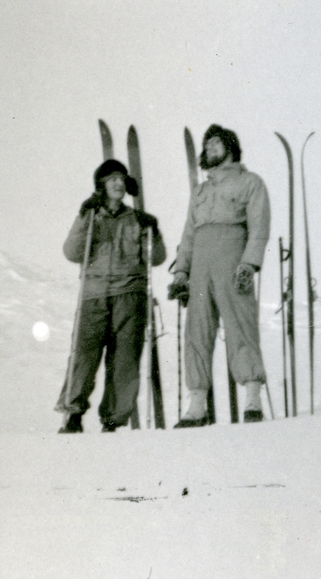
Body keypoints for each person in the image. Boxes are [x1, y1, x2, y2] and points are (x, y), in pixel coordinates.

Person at [168, 125, 271, 426]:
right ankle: (197, 405)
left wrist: (249, 264)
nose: (210, 148)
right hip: (200, 260)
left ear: (231, 147)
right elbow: (188, 235)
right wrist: (181, 273)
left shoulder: (250, 182)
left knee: (241, 326)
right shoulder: (201, 191)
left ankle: (252, 399)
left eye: (217, 143)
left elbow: (259, 227)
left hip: (231, 255)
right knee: (197, 331)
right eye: (207, 144)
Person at [55, 159, 166, 433]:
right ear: (101, 185)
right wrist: (84, 218)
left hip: (129, 294)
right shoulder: (91, 216)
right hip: (94, 295)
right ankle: (73, 414)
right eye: (112, 179)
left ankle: (113, 420)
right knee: (84, 356)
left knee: (125, 360)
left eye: (122, 178)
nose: (118, 183)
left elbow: (158, 258)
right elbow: (71, 253)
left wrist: (154, 232)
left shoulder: (136, 220)